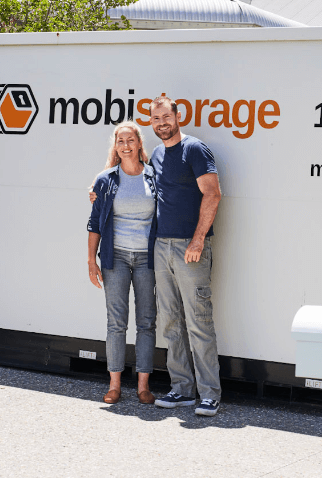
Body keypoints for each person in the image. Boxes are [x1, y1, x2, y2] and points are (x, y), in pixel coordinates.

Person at [147, 96, 223, 417]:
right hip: (162, 247)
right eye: (156, 119)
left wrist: (197, 240)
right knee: (170, 322)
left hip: (190, 248)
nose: (162, 123)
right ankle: (182, 389)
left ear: (178, 117)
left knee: (198, 321)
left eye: (167, 117)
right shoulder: (156, 153)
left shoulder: (195, 149)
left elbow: (213, 193)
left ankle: (209, 394)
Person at [87, 121, 158, 405]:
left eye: (130, 140)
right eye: (120, 141)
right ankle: (115, 384)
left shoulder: (154, 176)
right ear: (115, 147)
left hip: (147, 258)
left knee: (146, 322)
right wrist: (91, 260)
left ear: (140, 143)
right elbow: (94, 223)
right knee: (116, 322)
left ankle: (143, 386)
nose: (126, 145)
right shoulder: (106, 180)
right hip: (114, 258)